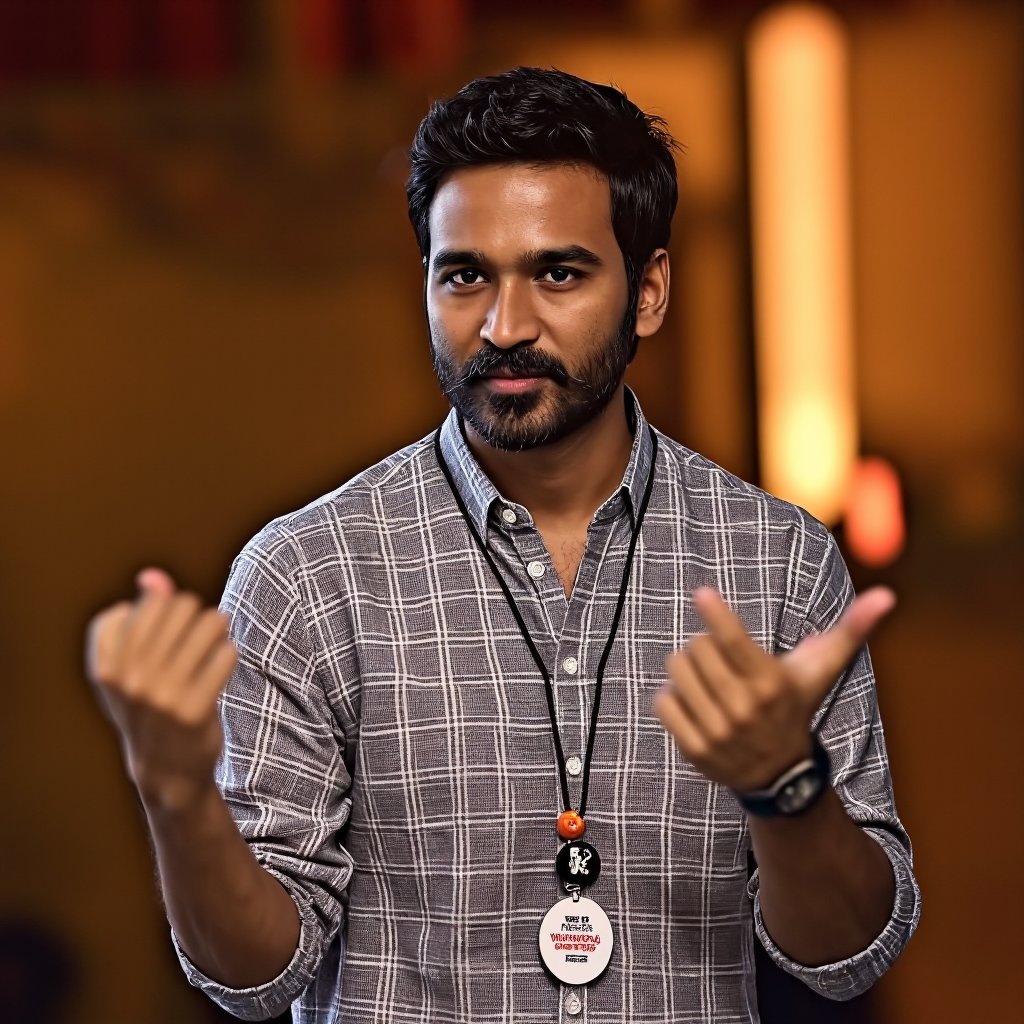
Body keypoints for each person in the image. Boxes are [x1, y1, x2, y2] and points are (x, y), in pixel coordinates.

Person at [85, 67, 920, 1023]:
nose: (503, 325)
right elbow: (257, 977)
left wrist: (788, 787)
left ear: (648, 291)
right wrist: (175, 790)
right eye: (465, 275)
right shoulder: (311, 573)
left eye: (558, 273)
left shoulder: (775, 561)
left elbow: (846, 959)